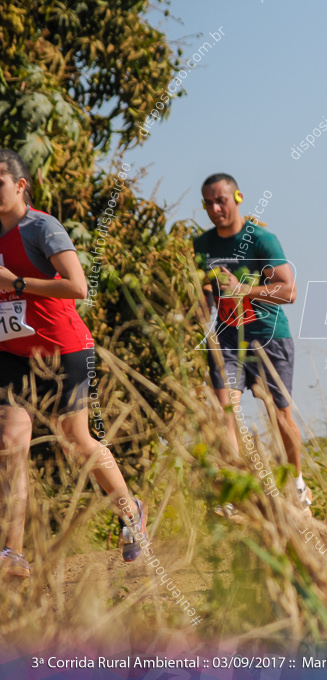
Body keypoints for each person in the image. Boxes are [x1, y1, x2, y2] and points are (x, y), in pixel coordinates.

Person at [0, 149, 147, 578]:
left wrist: (17, 283)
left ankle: (131, 513)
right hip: (12, 355)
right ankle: (13, 553)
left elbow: (78, 286)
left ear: (20, 185)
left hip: (64, 350)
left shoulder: (41, 227)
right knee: (10, 443)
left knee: (75, 440)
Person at [193, 173, 310, 515]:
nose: (216, 209)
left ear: (238, 198)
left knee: (280, 416)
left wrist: (244, 290)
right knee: (223, 412)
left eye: (222, 201)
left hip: (268, 335)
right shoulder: (202, 245)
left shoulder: (261, 240)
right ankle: (232, 493)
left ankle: (297, 483)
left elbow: (289, 291)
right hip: (227, 339)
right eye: (209, 203)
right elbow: (204, 292)